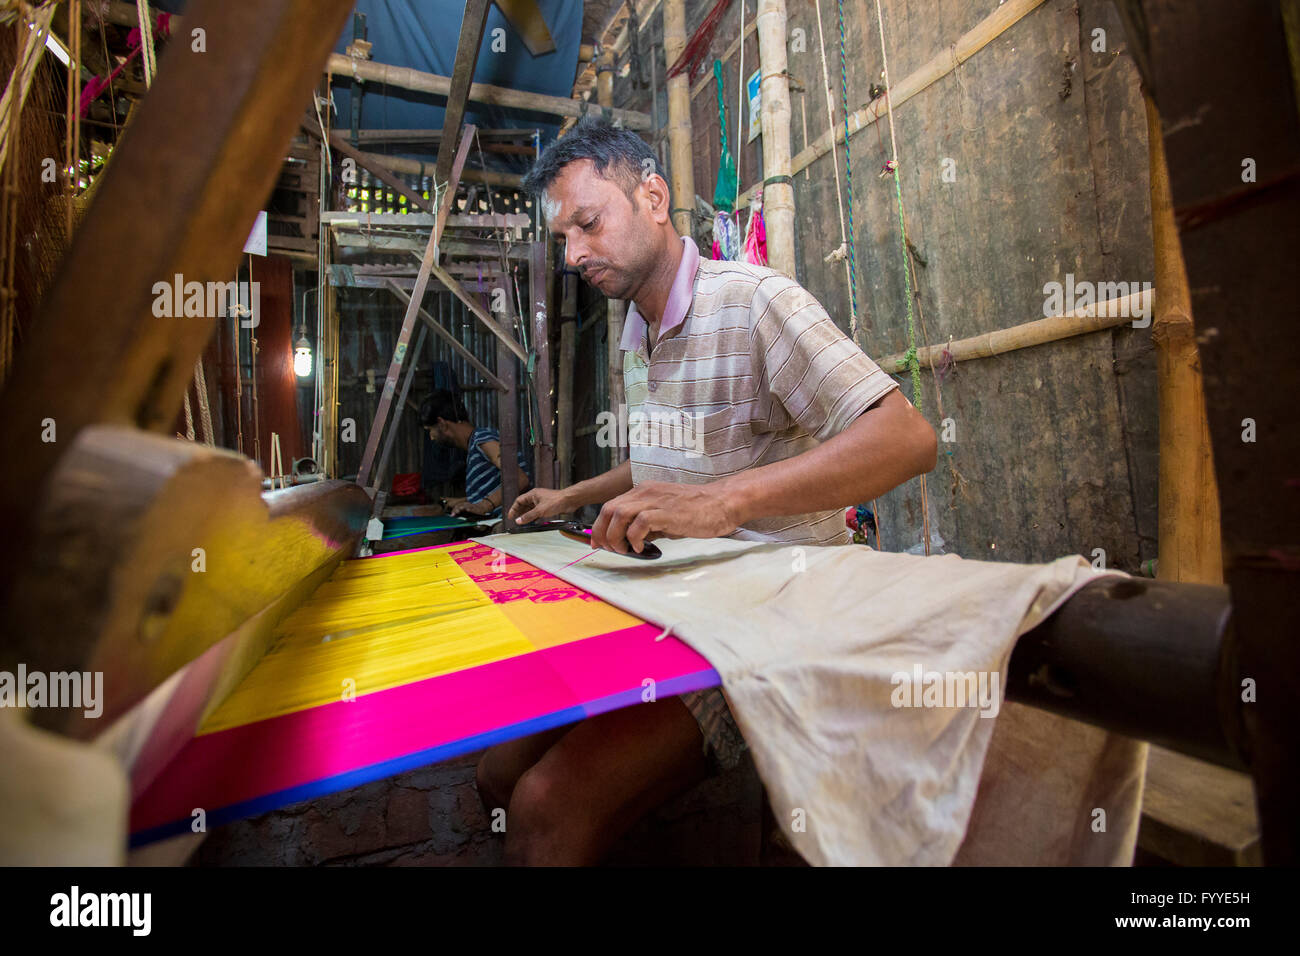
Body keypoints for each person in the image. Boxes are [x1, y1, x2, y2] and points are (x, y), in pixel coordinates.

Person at [477, 116, 936, 864]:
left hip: (764, 629)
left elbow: (907, 439)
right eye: (563, 239)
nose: (574, 255)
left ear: (653, 196)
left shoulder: (755, 303)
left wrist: (726, 504)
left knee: (544, 808)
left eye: (588, 225)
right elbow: (670, 463)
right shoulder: (639, 333)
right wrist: (571, 497)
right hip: (674, 606)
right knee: (497, 771)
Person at [420, 389, 531, 517]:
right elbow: (493, 490)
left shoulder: (482, 439)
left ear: (442, 423)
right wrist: (463, 502)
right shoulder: (474, 447)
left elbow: (519, 479)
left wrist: (483, 506)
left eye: (430, 430)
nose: (432, 437)